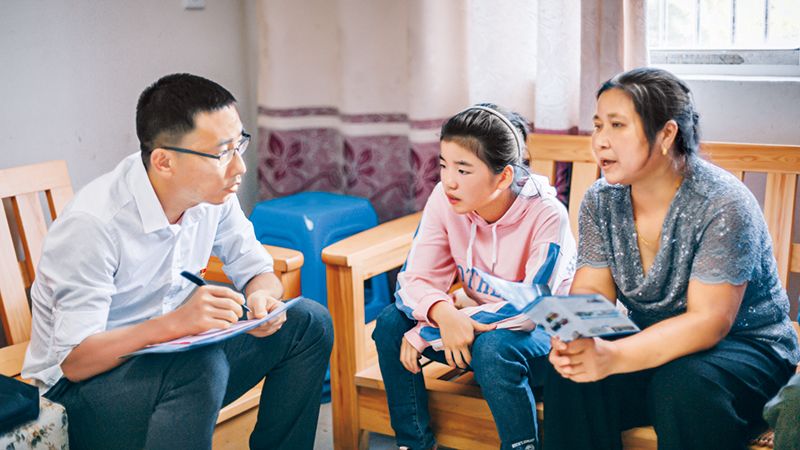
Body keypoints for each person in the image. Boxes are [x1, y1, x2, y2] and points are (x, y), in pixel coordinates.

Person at [21, 73, 333, 450]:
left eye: (239, 145)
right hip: (79, 392)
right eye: (222, 153)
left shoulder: (212, 196)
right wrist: (175, 324)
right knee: (201, 366)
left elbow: (258, 270)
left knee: (308, 323)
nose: (239, 167)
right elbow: (75, 361)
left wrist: (261, 299)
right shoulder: (94, 225)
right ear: (164, 161)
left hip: (171, 361)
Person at [542, 67, 800, 450]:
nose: (600, 141)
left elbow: (709, 322)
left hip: (746, 350)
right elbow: (592, 292)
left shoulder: (722, 203)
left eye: (617, 125)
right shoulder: (601, 200)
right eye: (597, 126)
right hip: (654, 345)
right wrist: (573, 336)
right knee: (571, 376)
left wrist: (612, 356)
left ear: (666, 134)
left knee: (682, 386)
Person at [372, 103, 577, 450]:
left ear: (504, 177)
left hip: (548, 338)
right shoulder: (446, 199)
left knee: (493, 349)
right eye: (443, 165)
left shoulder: (547, 214)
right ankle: (414, 443)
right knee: (392, 323)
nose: (448, 180)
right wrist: (444, 314)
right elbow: (414, 279)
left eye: (463, 170)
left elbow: (532, 308)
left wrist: (429, 330)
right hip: (475, 332)